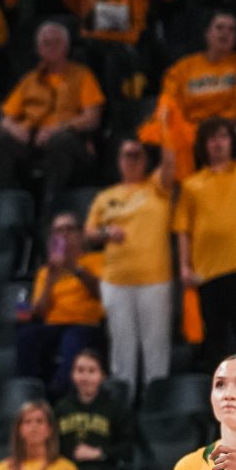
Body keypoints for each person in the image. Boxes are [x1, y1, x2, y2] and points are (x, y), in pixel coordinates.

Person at [172, 104, 236, 361]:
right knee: (214, 343)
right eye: (211, 138)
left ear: (232, 141)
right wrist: (184, 267)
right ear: (203, 145)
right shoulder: (190, 184)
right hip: (207, 272)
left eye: (223, 136)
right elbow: (183, 229)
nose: (217, 143)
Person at [85, 138, 175, 391]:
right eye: (127, 155)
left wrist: (167, 130)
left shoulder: (157, 187)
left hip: (154, 279)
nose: (132, 160)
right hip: (115, 281)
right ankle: (124, 402)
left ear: (146, 161)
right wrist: (105, 232)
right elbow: (89, 232)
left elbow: (170, 164)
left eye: (137, 155)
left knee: (155, 346)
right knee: (122, 347)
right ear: (119, 160)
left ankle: (155, 403)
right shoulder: (106, 197)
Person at [0, 22, 104, 203]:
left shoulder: (82, 75)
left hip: (69, 139)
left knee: (60, 142)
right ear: (38, 49)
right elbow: (5, 118)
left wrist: (57, 129)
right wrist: (15, 128)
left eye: (56, 42)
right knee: (1, 142)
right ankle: (8, 206)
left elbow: (92, 118)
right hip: (32, 139)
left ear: (66, 47)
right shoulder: (29, 80)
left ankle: (51, 206)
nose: (50, 47)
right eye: (45, 43)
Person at [17, 214, 106, 387]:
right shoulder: (45, 272)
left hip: (86, 324)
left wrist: (75, 269)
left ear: (80, 235)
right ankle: (29, 388)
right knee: (26, 336)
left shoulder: (97, 260)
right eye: (59, 230)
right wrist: (50, 279)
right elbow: (40, 312)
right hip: (54, 325)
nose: (64, 234)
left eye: (69, 229)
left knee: (72, 339)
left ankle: (62, 390)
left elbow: (101, 294)